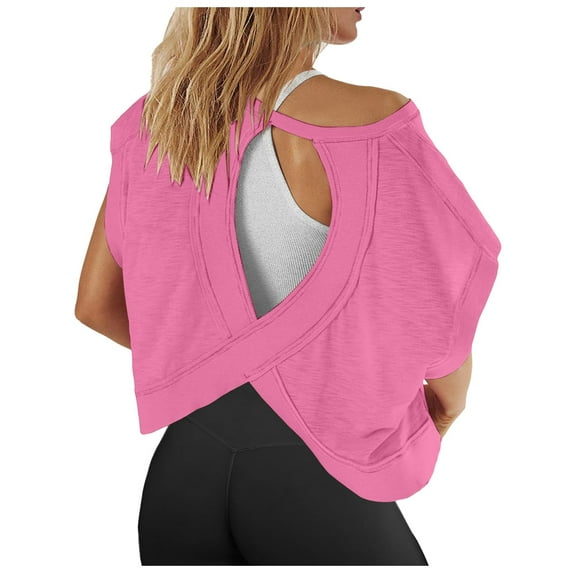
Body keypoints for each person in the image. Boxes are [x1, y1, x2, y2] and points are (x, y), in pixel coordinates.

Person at [75, 7, 488, 565]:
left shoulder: (159, 123)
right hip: (309, 475)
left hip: (185, 473)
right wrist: (445, 408)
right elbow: (436, 304)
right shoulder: (369, 121)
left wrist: (214, 363)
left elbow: (96, 305)